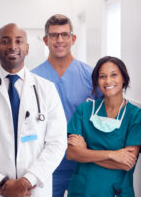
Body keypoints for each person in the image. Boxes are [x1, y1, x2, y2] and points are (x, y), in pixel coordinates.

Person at [0, 23, 67, 197]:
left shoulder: (47, 89)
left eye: (18, 41)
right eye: (5, 41)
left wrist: (27, 181)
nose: (12, 46)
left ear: (27, 48)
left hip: (32, 190)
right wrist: (1, 183)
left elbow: (57, 143)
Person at [31, 14, 101, 196]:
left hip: (84, 163)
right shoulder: (32, 79)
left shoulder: (92, 76)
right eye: (54, 35)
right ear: (46, 40)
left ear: (73, 38)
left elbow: (107, 114)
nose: (59, 40)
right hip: (45, 164)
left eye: (64, 34)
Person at [66, 56, 141, 197]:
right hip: (82, 190)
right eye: (102, 76)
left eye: (114, 75)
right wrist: (113, 154)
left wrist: (86, 151)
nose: (108, 81)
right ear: (97, 81)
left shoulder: (136, 116)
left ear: (124, 78)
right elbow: (71, 153)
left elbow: (126, 163)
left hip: (116, 192)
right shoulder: (85, 110)